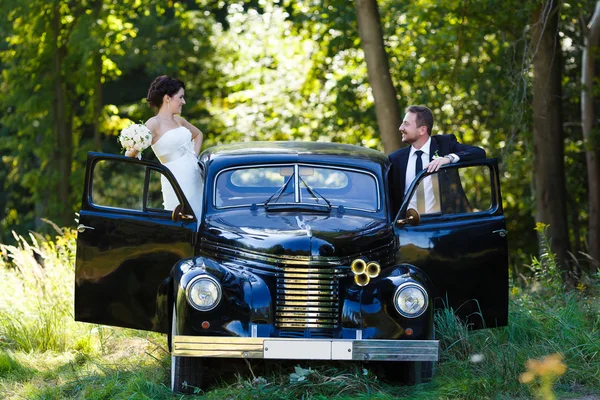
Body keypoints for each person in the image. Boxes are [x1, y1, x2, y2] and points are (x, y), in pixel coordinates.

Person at [125, 75, 204, 219]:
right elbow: (129, 154)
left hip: (194, 175)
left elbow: (198, 134)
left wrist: (194, 156)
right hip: (175, 180)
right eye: (180, 97)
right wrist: (133, 146)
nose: (184, 102)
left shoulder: (179, 121)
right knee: (183, 219)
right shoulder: (153, 124)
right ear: (167, 98)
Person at [388, 105, 486, 216]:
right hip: (409, 227)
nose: (401, 128)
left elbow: (479, 153)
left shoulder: (445, 144)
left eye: (406, 124)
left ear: (422, 130)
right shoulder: (395, 159)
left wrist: (448, 159)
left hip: (443, 225)